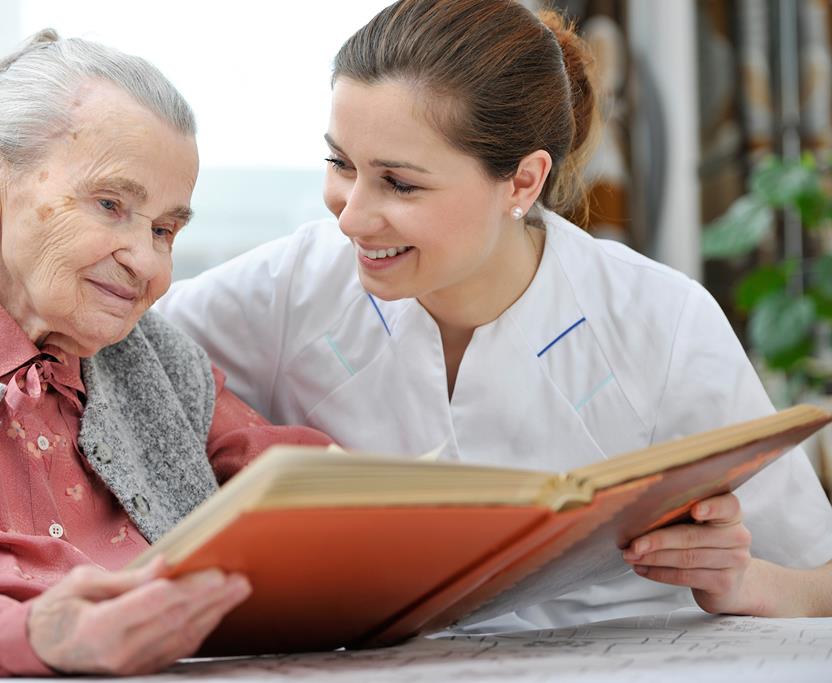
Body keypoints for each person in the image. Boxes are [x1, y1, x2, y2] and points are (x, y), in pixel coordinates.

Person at [157, 0, 832, 631]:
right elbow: (114, 349)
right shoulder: (290, 289)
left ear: (522, 181)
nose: (352, 215)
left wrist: (748, 584)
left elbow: (819, 576)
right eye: (340, 163)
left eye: (399, 182)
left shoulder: (661, 321)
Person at [0, 30, 330, 678]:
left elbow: (310, 493)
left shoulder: (159, 361)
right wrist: (38, 633)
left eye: (164, 229)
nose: (146, 261)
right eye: (111, 204)